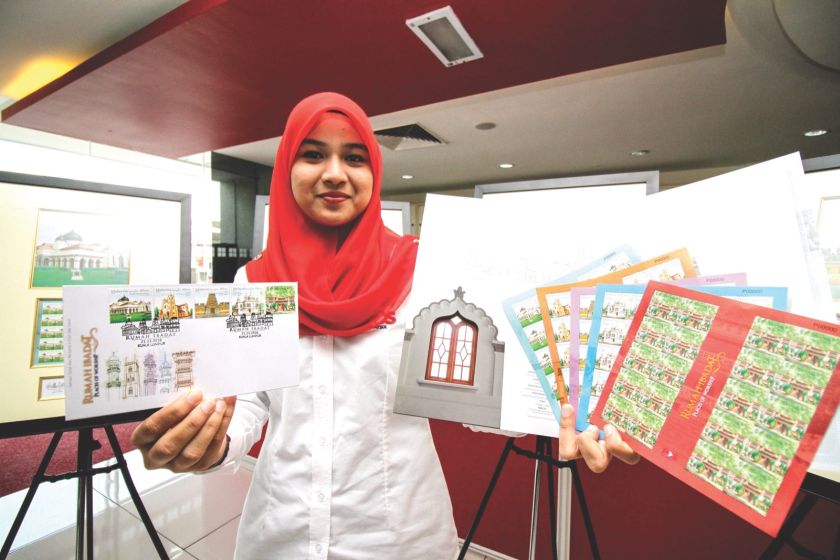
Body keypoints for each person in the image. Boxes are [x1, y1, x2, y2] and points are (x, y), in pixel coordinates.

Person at [130, 92, 459, 559]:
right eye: (313, 154)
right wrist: (213, 441)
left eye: (354, 157)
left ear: (374, 173)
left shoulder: (421, 272)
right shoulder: (255, 280)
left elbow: (475, 396)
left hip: (397, 536)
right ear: (287, 167)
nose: (333, 172)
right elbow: (249, 400)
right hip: (281, 531)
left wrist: (552, 407)